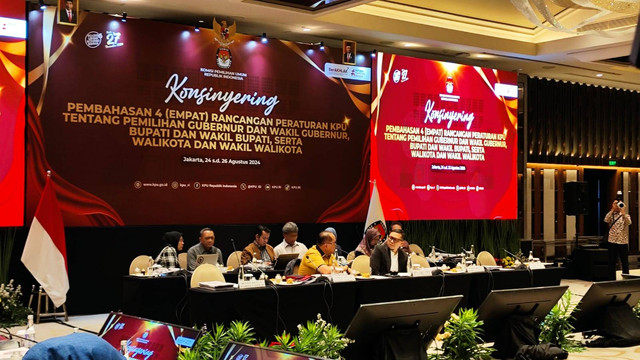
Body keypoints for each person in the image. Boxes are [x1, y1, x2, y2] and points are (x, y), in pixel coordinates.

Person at [605, 200, 632, 275]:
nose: (617, 205)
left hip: (623, 241)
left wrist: (623, 213)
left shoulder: (626, 215)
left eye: (619, 204)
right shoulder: (611, 214)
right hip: (612, 241)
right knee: (611, 261)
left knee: (624, 261)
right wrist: (612, 210)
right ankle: (611, 279)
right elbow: (606, 220)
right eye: (615, 203)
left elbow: (629, 222)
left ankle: (626, 277)